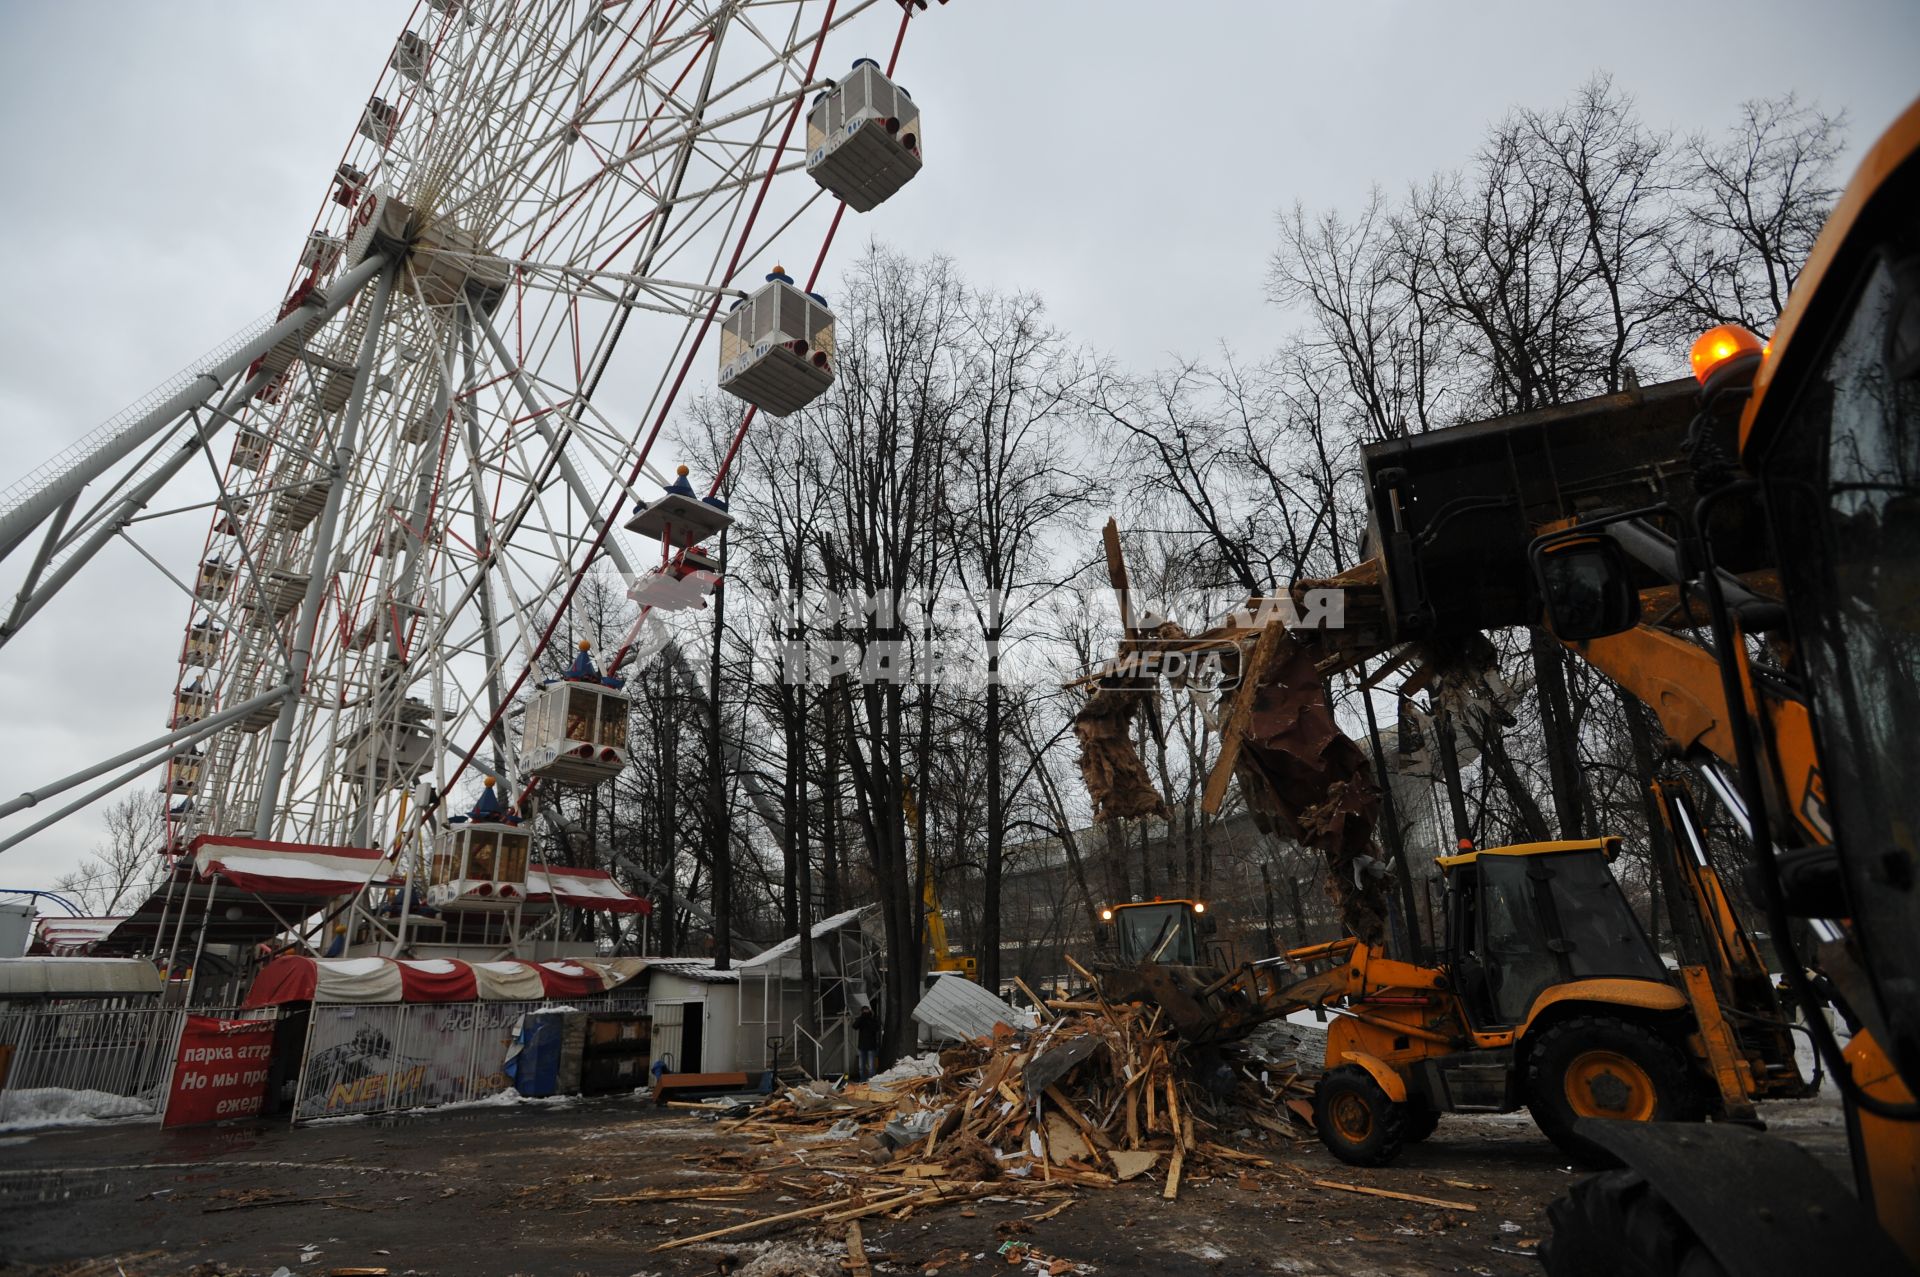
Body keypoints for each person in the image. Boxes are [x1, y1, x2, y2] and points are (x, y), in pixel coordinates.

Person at [853, 1004, 880, 1081]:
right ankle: (863, 1080)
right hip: (862, 1046)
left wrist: (868, 1018)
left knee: (871, 1066)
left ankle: (871, 1080)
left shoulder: (872, 1019)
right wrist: (862, 1017)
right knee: (861, 1066)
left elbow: (876, 1028)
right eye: (864, 1012)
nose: (865, 1014)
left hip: (871, 1046)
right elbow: (854, 1026)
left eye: (866, 1012)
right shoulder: (861, 1020)